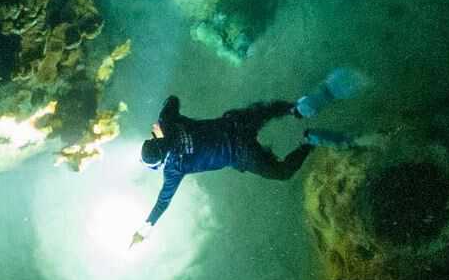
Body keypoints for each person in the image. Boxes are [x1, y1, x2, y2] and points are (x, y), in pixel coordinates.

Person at [134, 67, 368, 235]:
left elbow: (163, 202)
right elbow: (173, 99)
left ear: (161, 161)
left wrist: (145, 228)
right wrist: (162, 122)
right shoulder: (167, 123)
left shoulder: (174, 168)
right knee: (269, 110)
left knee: (282, 172)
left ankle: (309, 140)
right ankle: (296, 109)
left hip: (239, 153)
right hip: (234, 123)